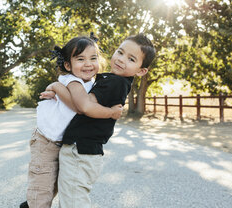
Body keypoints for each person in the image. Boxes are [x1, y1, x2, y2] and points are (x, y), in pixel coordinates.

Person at [47, 33, 156, 208]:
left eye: (131, 59)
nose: (121, 59)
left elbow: (84, 105)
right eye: (120, 52)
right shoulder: (112, 79)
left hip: (80, 150)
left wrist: (58, 87)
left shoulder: (116, 83)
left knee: (74, 201)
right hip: (82, 150)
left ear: (141, 71)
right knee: (70, 198)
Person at [20, 35, 124, 208]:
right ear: (68, 65)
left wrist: (55, 90)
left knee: (54, 184)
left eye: (93, 58)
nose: (88, 64)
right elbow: (79, 107)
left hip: (62, 143)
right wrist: (111, 113)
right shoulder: (72, 80)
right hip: (46, 141)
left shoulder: (92, 84)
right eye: (81, 59)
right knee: (42, 187)